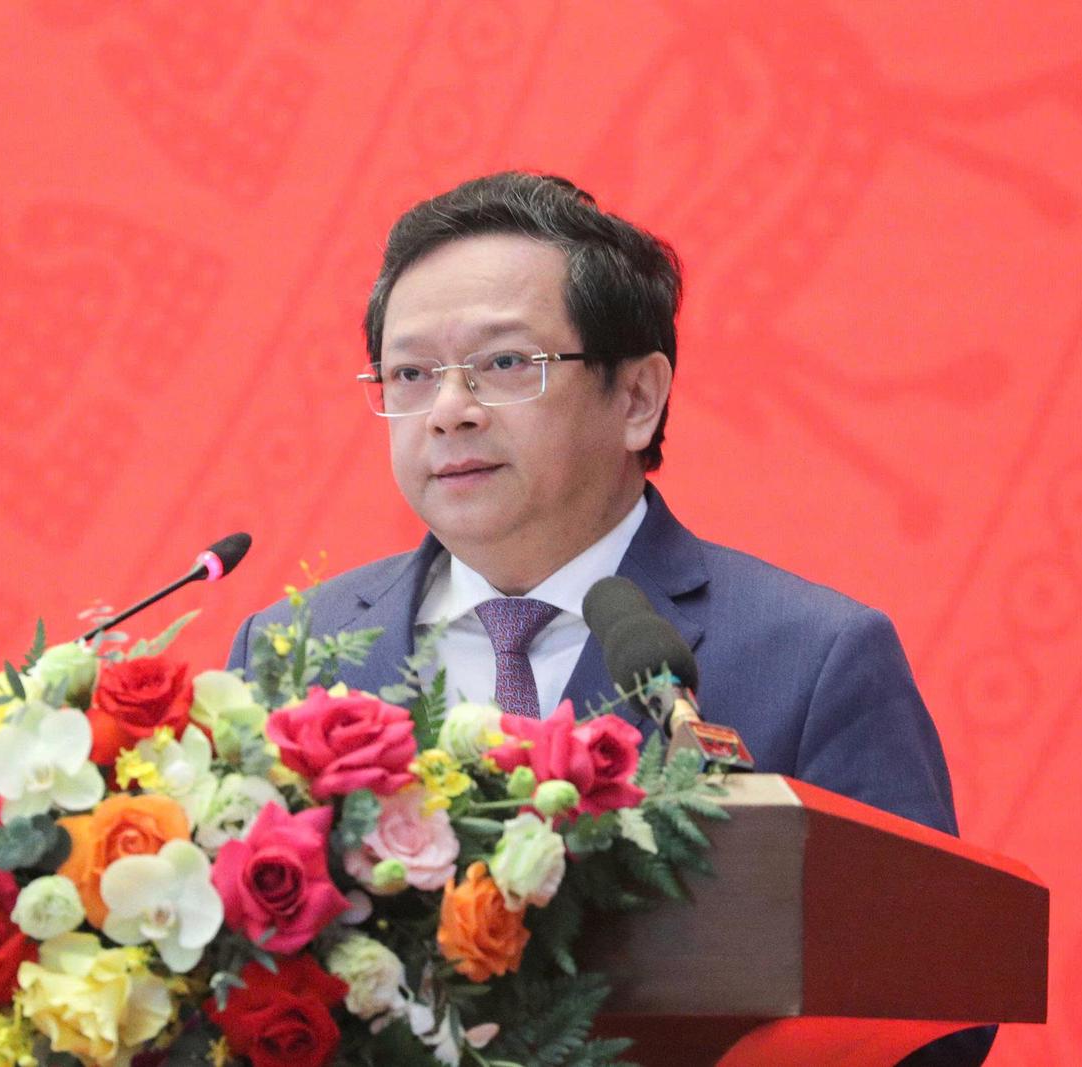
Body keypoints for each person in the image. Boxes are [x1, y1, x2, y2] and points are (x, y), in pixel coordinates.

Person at [226, 173, 990, 1063]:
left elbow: (933, 1006)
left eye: (505, 364)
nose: (448, 411)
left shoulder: (813, 659)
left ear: (636, 398)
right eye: (411, 374)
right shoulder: (293, 653)